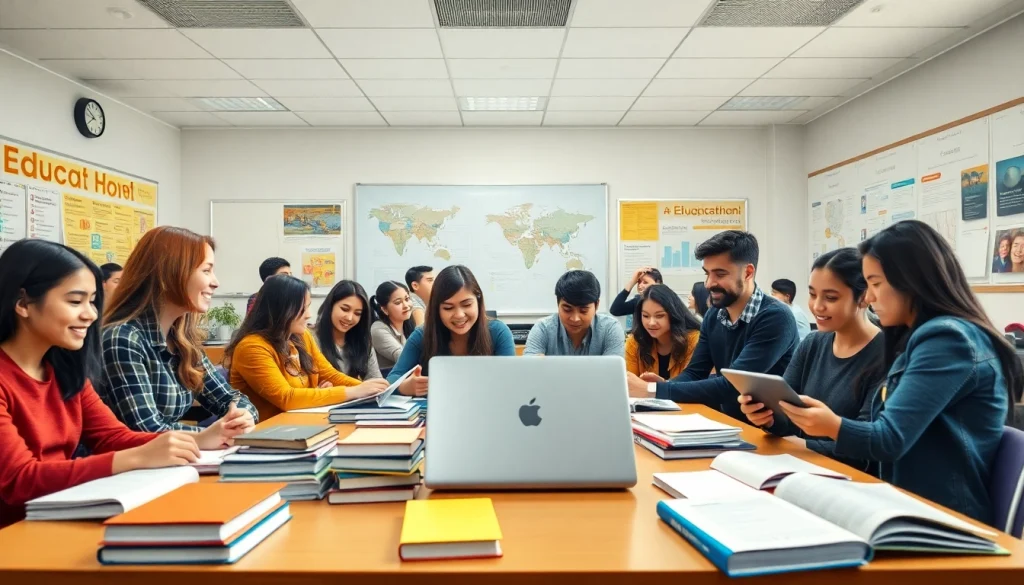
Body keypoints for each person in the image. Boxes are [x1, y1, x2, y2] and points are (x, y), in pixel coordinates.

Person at [775, 221, 1023, 524]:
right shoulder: (920, 337)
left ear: (911, 280)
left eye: (876, 284)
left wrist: (833, 425)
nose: (869, 297)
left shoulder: (949, 340)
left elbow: (889, 439)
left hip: (940, 519)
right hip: (902, 503)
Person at [0, 240, 238, 528]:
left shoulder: (64, 370)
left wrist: (198, 440)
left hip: (58, 517)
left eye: (92, 302)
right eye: (75, 302)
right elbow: (18, 480)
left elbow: (113, 437)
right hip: (15, 534)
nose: (90, 314)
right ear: (23, 303)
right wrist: (135, 457)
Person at [626, 231, 798, 424]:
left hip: (772, 432)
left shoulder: (775, 317)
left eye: (720, 274)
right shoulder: (714, 315)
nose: (708, 283)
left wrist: (653, 391)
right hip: (729, 425)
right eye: (707, 274)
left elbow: (733, 386)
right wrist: (666, 386)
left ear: (748, 272)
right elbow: (695, 372)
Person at [100, 226, 258, 432]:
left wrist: (244, 416)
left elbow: (229, 398)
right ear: (170, 273)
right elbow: (147, 429)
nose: (215, 282)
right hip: (134, 462)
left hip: (170, 461)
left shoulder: (182, 340)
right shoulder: (122, 338)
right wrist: (212, 434)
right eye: (206, 271)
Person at [739, 248, 885, 471]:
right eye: (813, 294)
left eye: (830, 298)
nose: (817, 306)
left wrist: (806, 445)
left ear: (864, 297)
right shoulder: (813, 343)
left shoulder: (886, 354)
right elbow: (788, 413)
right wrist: (767, 418)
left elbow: (868, 445)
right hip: (801, 467)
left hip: (850, 479)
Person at [226, 275, 388, 421]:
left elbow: (329, 374)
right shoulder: (252, 347)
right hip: (264, 435)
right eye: (302, 309)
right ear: (280, 309)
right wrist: (354, 392)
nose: (309, 314)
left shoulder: (301, 337)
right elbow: (287, 398)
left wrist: (372, 390)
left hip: (302, 424)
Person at [386, 265, 515, 395]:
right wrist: (403, 387)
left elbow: (510, 381)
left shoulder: (498, 332)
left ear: (478, 300)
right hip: (434, 412)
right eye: (448, 308)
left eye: (467, 305)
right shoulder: (422, 335)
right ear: (437, 309)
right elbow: (392, 379)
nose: (459, 315)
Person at [524, 270, 624, 357]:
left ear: (596, 305)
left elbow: (612, 374)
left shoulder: (610, 329)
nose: (575, 318)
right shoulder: (543, 328)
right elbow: (530, 369)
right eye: (567, 309)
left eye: (583, 310)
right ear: (558, 303)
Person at [625, 284, 701, 379]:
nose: (651, 323)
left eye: (659, 316)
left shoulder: (694, 340)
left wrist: (663, 386)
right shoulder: (634, 342)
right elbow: (628, 384)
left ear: (673, 314)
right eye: (645, 316)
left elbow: (693, 385)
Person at [316, 280, 383, 380]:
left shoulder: (363, 341)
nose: (350, 318)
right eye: (345, 309)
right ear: (330, 306)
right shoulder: (311, 338)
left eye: (357, 313)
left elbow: (375, 380)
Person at [369, 281, 416, 371]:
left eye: (407, 299)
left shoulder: (408, 324)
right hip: (386, 382)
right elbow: (404, 358)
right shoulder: (378, 329)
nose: (406, 306)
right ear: (385, 309)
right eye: (398, 303)